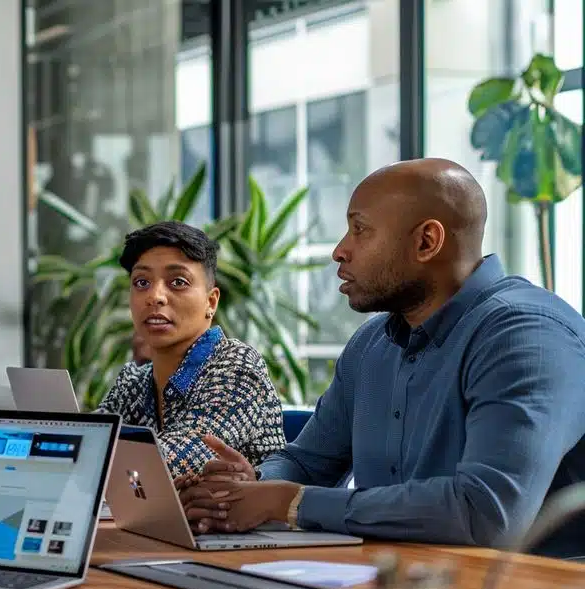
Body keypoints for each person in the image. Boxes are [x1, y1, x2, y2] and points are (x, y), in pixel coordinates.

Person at [181, 158, 585, 559]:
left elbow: (487, 513)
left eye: (360, 230)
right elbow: (306, 462)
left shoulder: (527, 336)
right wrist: (253, 486)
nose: (340, 251)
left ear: (427, 241)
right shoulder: (372, 342)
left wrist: (287, 502)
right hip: (405, 582)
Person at [91, 220, 285, 479]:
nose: (155, 296)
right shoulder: (135, 382)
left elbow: (178, 459)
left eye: (178, 281)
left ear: (211, 302)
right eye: (141, 282)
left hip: (252, 520)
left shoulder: (237, 367)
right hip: (159, 519)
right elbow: (88, 439)